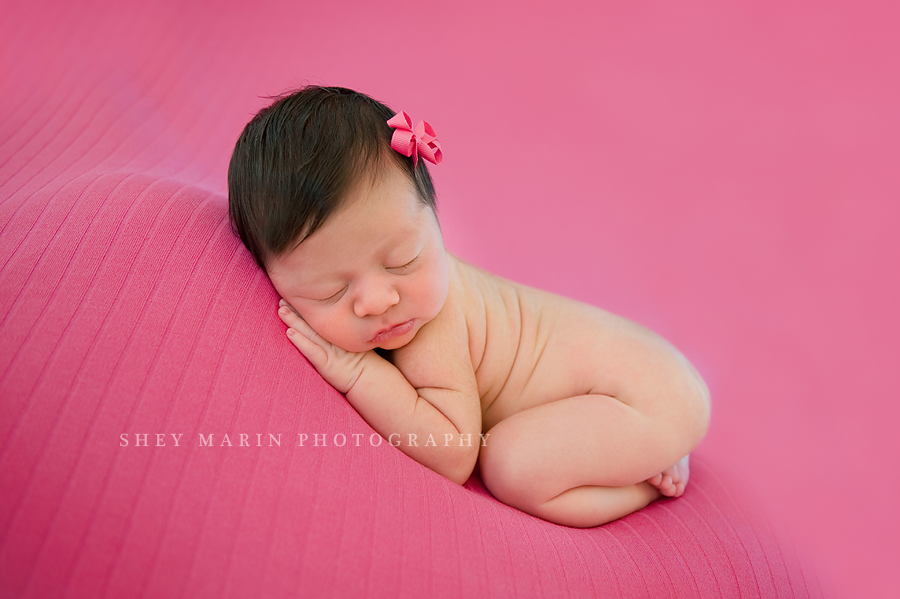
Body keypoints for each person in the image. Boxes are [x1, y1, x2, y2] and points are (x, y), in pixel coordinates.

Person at [227, 85, 710, 528]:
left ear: (436, 223)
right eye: (330, 292)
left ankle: (645, 477)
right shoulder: (403, 291)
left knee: (511, 466)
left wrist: (359, 374)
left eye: (403, 261)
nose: (379, 302)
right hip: (642, 385)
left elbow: (454, 452)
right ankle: (648, 446)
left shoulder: (431, 323)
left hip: (642, 394)